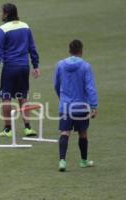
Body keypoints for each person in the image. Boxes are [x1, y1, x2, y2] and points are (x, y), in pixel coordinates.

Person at [0, 3, 40, 137]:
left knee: (6, 97)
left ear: (6, 13)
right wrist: (35, 66)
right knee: (22, 96)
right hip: (24, 66)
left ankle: (8, 129)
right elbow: (32, 48)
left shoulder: (2, 29)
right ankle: (28, 127)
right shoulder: (25, 26)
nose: (1, 14)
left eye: (2, 12)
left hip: (10, 67)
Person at [54, 39, 98, 172]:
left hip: (66, 106)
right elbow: (90, 87)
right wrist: (94, 105)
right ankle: (84, 161)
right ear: (81, 50)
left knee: (64, 132)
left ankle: (62, 161)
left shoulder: (60, 65)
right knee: (83, 133)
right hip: (81, 106)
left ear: (69, 50)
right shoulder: (85, 66)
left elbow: (56, 84)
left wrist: (61, 98)